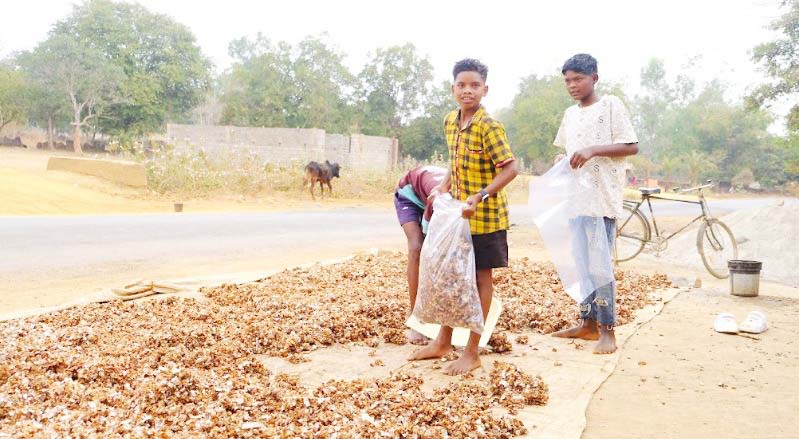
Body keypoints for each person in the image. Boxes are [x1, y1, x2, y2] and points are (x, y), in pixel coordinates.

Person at [409, 58, 518, 374]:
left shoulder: (489, 126)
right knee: (451, 276)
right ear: (453, 88)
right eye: (462, 85)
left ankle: (472, 350)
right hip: (457, 217)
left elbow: (510, 169)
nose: (468, 91)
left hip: (485, 218)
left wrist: (481, 195)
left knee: (480, 278)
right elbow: (455, 164)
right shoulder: (450, 122)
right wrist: (443, 186)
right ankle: (442, 340)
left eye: (475, 85)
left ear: (485, 89)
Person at [550, 53, 639, 354]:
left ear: (594, 78)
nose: (572, 85)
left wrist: (592, 150)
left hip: (602, 199)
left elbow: (631, 145)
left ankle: (607, 330)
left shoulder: (610, 105)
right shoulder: (569, 115)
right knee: (582, 264)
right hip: (577, 201)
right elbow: (572, 152)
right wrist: (565, 160)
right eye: (568, 81)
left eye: (578, 79)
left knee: (601, 266)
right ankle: (587, 323)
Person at [394, 165, 447, 344]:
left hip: (432, 195)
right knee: (418, 247)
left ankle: (441, 315)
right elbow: (429, 243)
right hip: (409, 195)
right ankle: (416, 317)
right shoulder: (439, 201)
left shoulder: (465, 198)